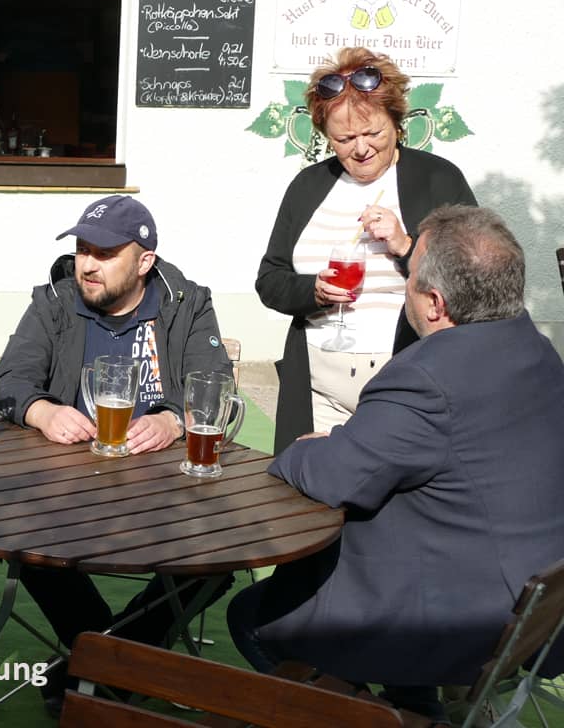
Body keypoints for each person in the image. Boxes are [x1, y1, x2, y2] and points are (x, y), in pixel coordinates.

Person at [229, 206, 564, 722]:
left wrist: (301, 448)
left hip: (460, 617)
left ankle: (384, 715)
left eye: (409, 278)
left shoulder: (427, 377)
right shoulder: (536, 349)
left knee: (254, 616)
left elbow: (335, 476)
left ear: (435, 303)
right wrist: (353, 442)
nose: (405, 287)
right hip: (536, 602)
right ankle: (414, 705)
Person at [0, 194, 236, 714]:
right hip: (68, 483)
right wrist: (41, 411)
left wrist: (172, 419)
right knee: (27, 544)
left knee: (212, 561)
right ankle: (115, 668)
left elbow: (214, 383)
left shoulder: (186, 302)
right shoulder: (56, 301)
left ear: (144, 262)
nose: (87, 264)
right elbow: (8, 381)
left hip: (165, 486)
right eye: (83, 250)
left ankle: (97, 666)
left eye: (104, 253)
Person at [256, 47, 476, 454]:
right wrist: (313, 290)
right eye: (344, 139)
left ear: (396, 121)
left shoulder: (438, 180)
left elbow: (473, 283)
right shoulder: (308, 187)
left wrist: (406, 246)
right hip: (317, 387)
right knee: (312, 487)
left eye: (373, 133)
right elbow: (270, 280)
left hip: (407, 386)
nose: (360, 148)